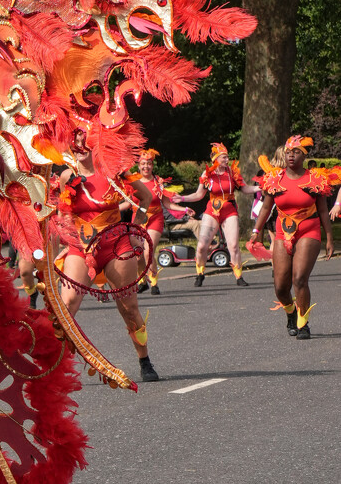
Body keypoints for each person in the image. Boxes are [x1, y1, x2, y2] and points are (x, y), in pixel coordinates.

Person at [55, 131, 158, 382]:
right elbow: (62, 212)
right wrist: (67, 235)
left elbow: (145, 198)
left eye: (85, 144)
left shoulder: (114, 171)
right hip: (82, 246)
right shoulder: (67, 176)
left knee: (129, 308)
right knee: (66, 304)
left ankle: (144, 361)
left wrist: (137, 227)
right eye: (75, 144)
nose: (80, 148)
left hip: (116, 244)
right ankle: (55, 369)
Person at [250, 136, 335, 340]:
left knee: (299, 278)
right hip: (282, 232)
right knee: (280, 286)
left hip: (309, 230)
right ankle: (291, 313)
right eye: (288, 152)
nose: (291, 155)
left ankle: (303, 323)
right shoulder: (274, 179)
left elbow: (323, 211)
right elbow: (266, 209)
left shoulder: (314, 179)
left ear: (304, 155)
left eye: (296, 152)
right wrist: (256, 232)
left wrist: (329, 238)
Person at [174, 143, 257, 287]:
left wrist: (261, 187)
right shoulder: (207, 174)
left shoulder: (233, 172)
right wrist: (182, 198)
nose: (227, 160)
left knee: (234, 245)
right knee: (201, 246)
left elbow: (245, 189)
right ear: (216, 159)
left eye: (227, 157)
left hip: (229, 210)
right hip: (212, 211)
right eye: (224, 157)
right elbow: (199, 195)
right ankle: (200, 273)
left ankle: (239, 276)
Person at [126, 149, 191, 295]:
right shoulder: (132, 182)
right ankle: (142, 281)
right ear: (138, 165)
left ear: (152, 165)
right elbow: (127, 203)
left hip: (155, 218)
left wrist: (184, 209)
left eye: (149, 164)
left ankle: (154, 282)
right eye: (143, 164)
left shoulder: (158, 182)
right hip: (138, 219)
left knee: (149, 251)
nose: (146, 167)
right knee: (138, 254)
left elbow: (168, 204)